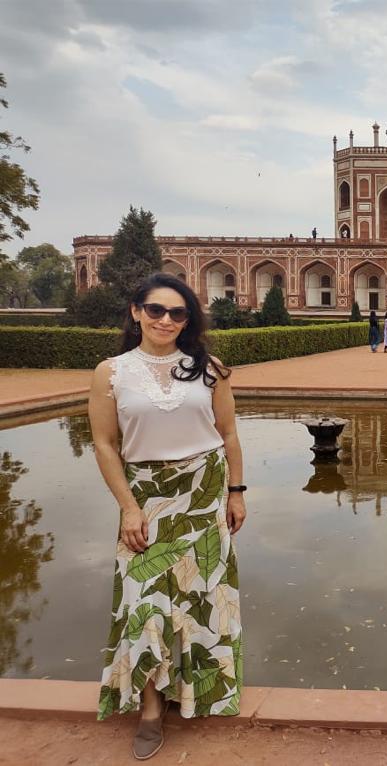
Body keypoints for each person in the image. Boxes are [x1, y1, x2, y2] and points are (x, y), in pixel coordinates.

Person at [89, 274, 245, 759]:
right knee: (144, 605)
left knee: (200, 599)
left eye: (178, 313)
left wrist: (236, 493)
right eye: (155, 310)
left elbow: (230, 434)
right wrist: (129, 508)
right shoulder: (111, 372)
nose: (166, 320)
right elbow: (104, 444)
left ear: (188, 320)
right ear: (135, 311)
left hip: (203, 493)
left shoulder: (209, 368)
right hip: (147, 500)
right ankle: (151, 709)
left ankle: (196, 690)